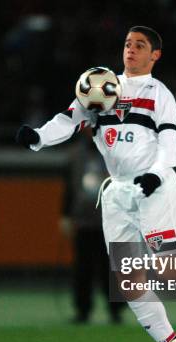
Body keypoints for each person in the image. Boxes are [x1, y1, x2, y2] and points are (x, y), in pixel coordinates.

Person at [16, 26, 176, 342]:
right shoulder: (101, 84)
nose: (131, 50)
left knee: (169, 266)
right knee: (127, 278)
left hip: (154, 187)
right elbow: (69, 119)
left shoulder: (159, 94)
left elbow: (170, 140)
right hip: (117, 193)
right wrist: (39, 138)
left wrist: (156, 174)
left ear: (155, 55)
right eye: (127, 44)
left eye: (140, 46)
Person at [61, 133, 124, 324]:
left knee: (112, 268)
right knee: (83, 268)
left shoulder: (117, 151)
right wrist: (65, 215)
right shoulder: (74, 154)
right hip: (83, 220)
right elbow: (69, 187)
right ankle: (83, 310)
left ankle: (115, 310)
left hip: (111, 219)